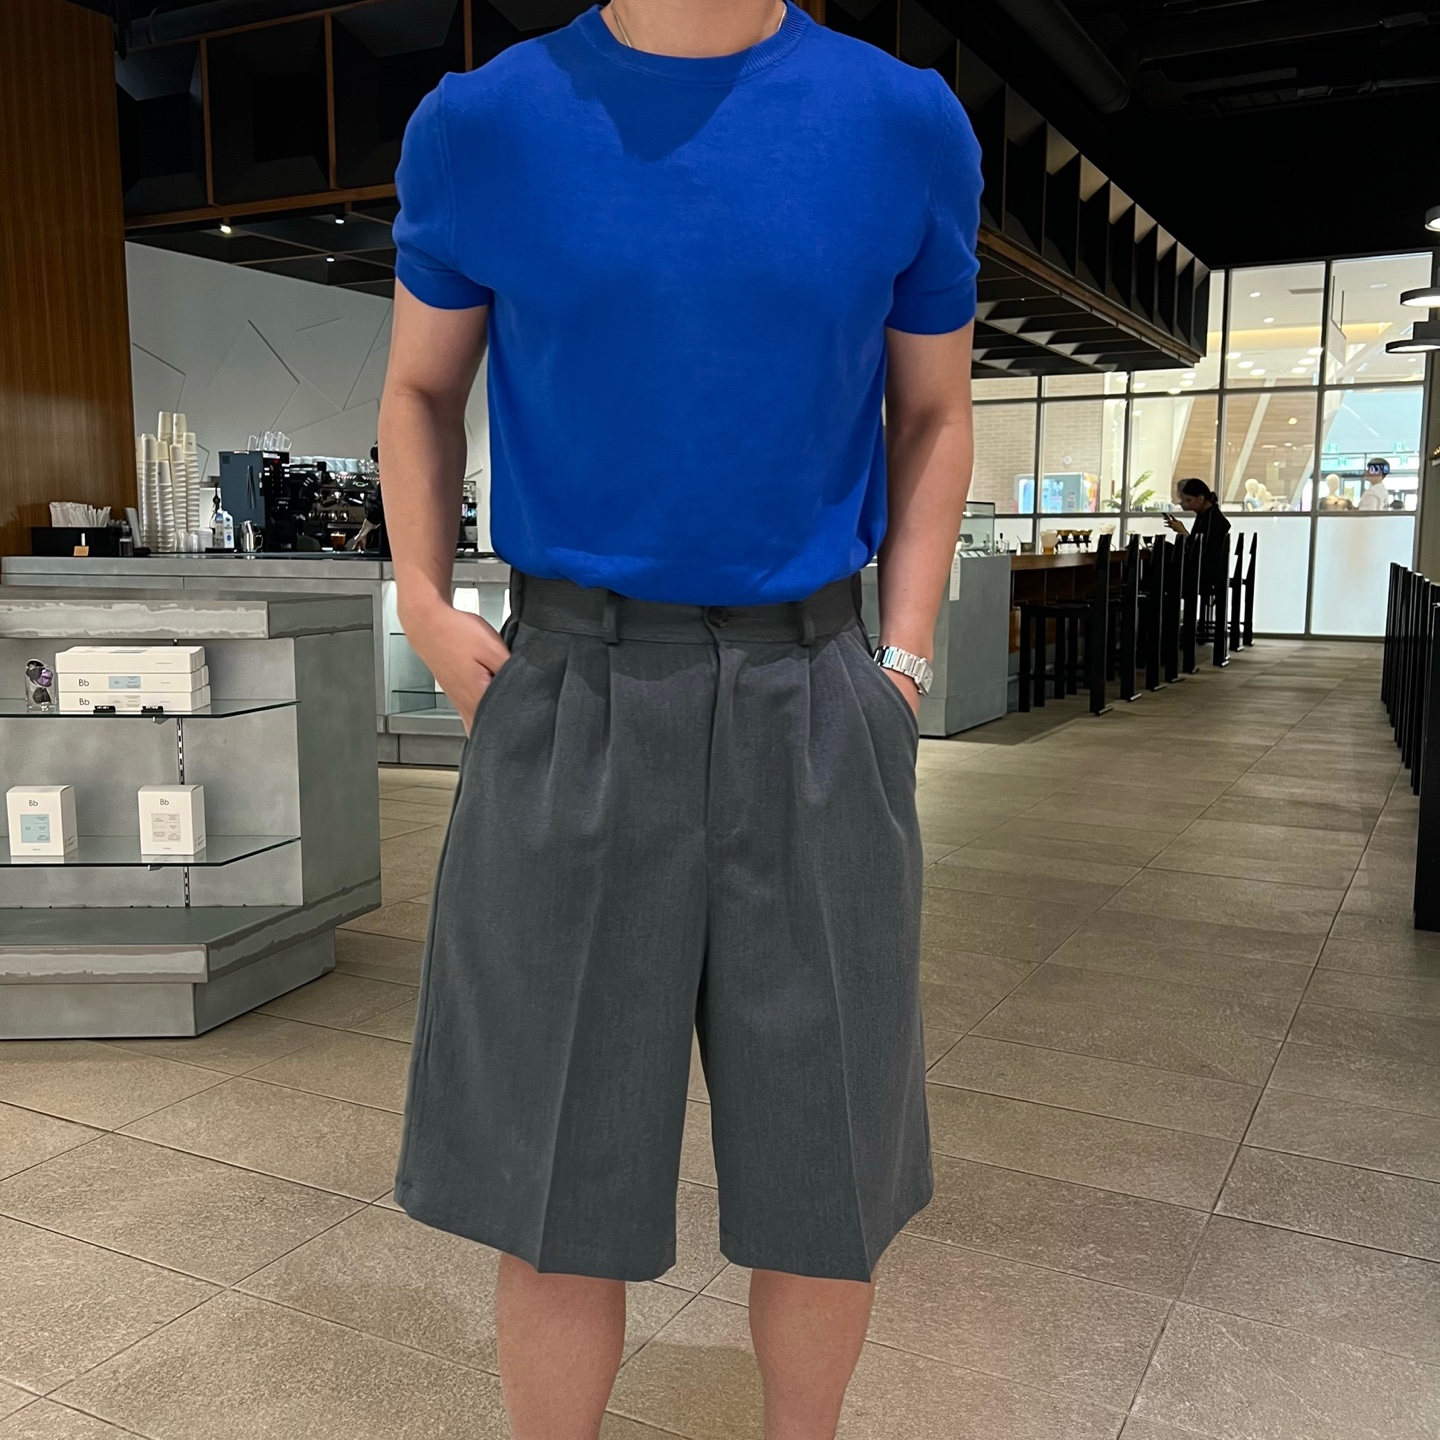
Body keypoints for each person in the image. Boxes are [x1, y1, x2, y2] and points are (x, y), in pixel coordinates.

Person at [376, 4, 980, 1438]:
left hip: (815, 690)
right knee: (554, 1182)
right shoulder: (484, 123)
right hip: (572, 688)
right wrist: (423, 598)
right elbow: (419, 385)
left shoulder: (901, 122)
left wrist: (900, 661)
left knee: (827, 1173)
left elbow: (933, 412)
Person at [1165, 477, 1232, 593]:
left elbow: (1202, 550)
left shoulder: (1212, 519)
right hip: (1200, 568)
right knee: (1166, 550)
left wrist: (1182, 532)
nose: (1186, 504)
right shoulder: (1205, 515)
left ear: (1201, 498)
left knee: (1165, 554)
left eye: (1189, 500)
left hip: (1202, 572)